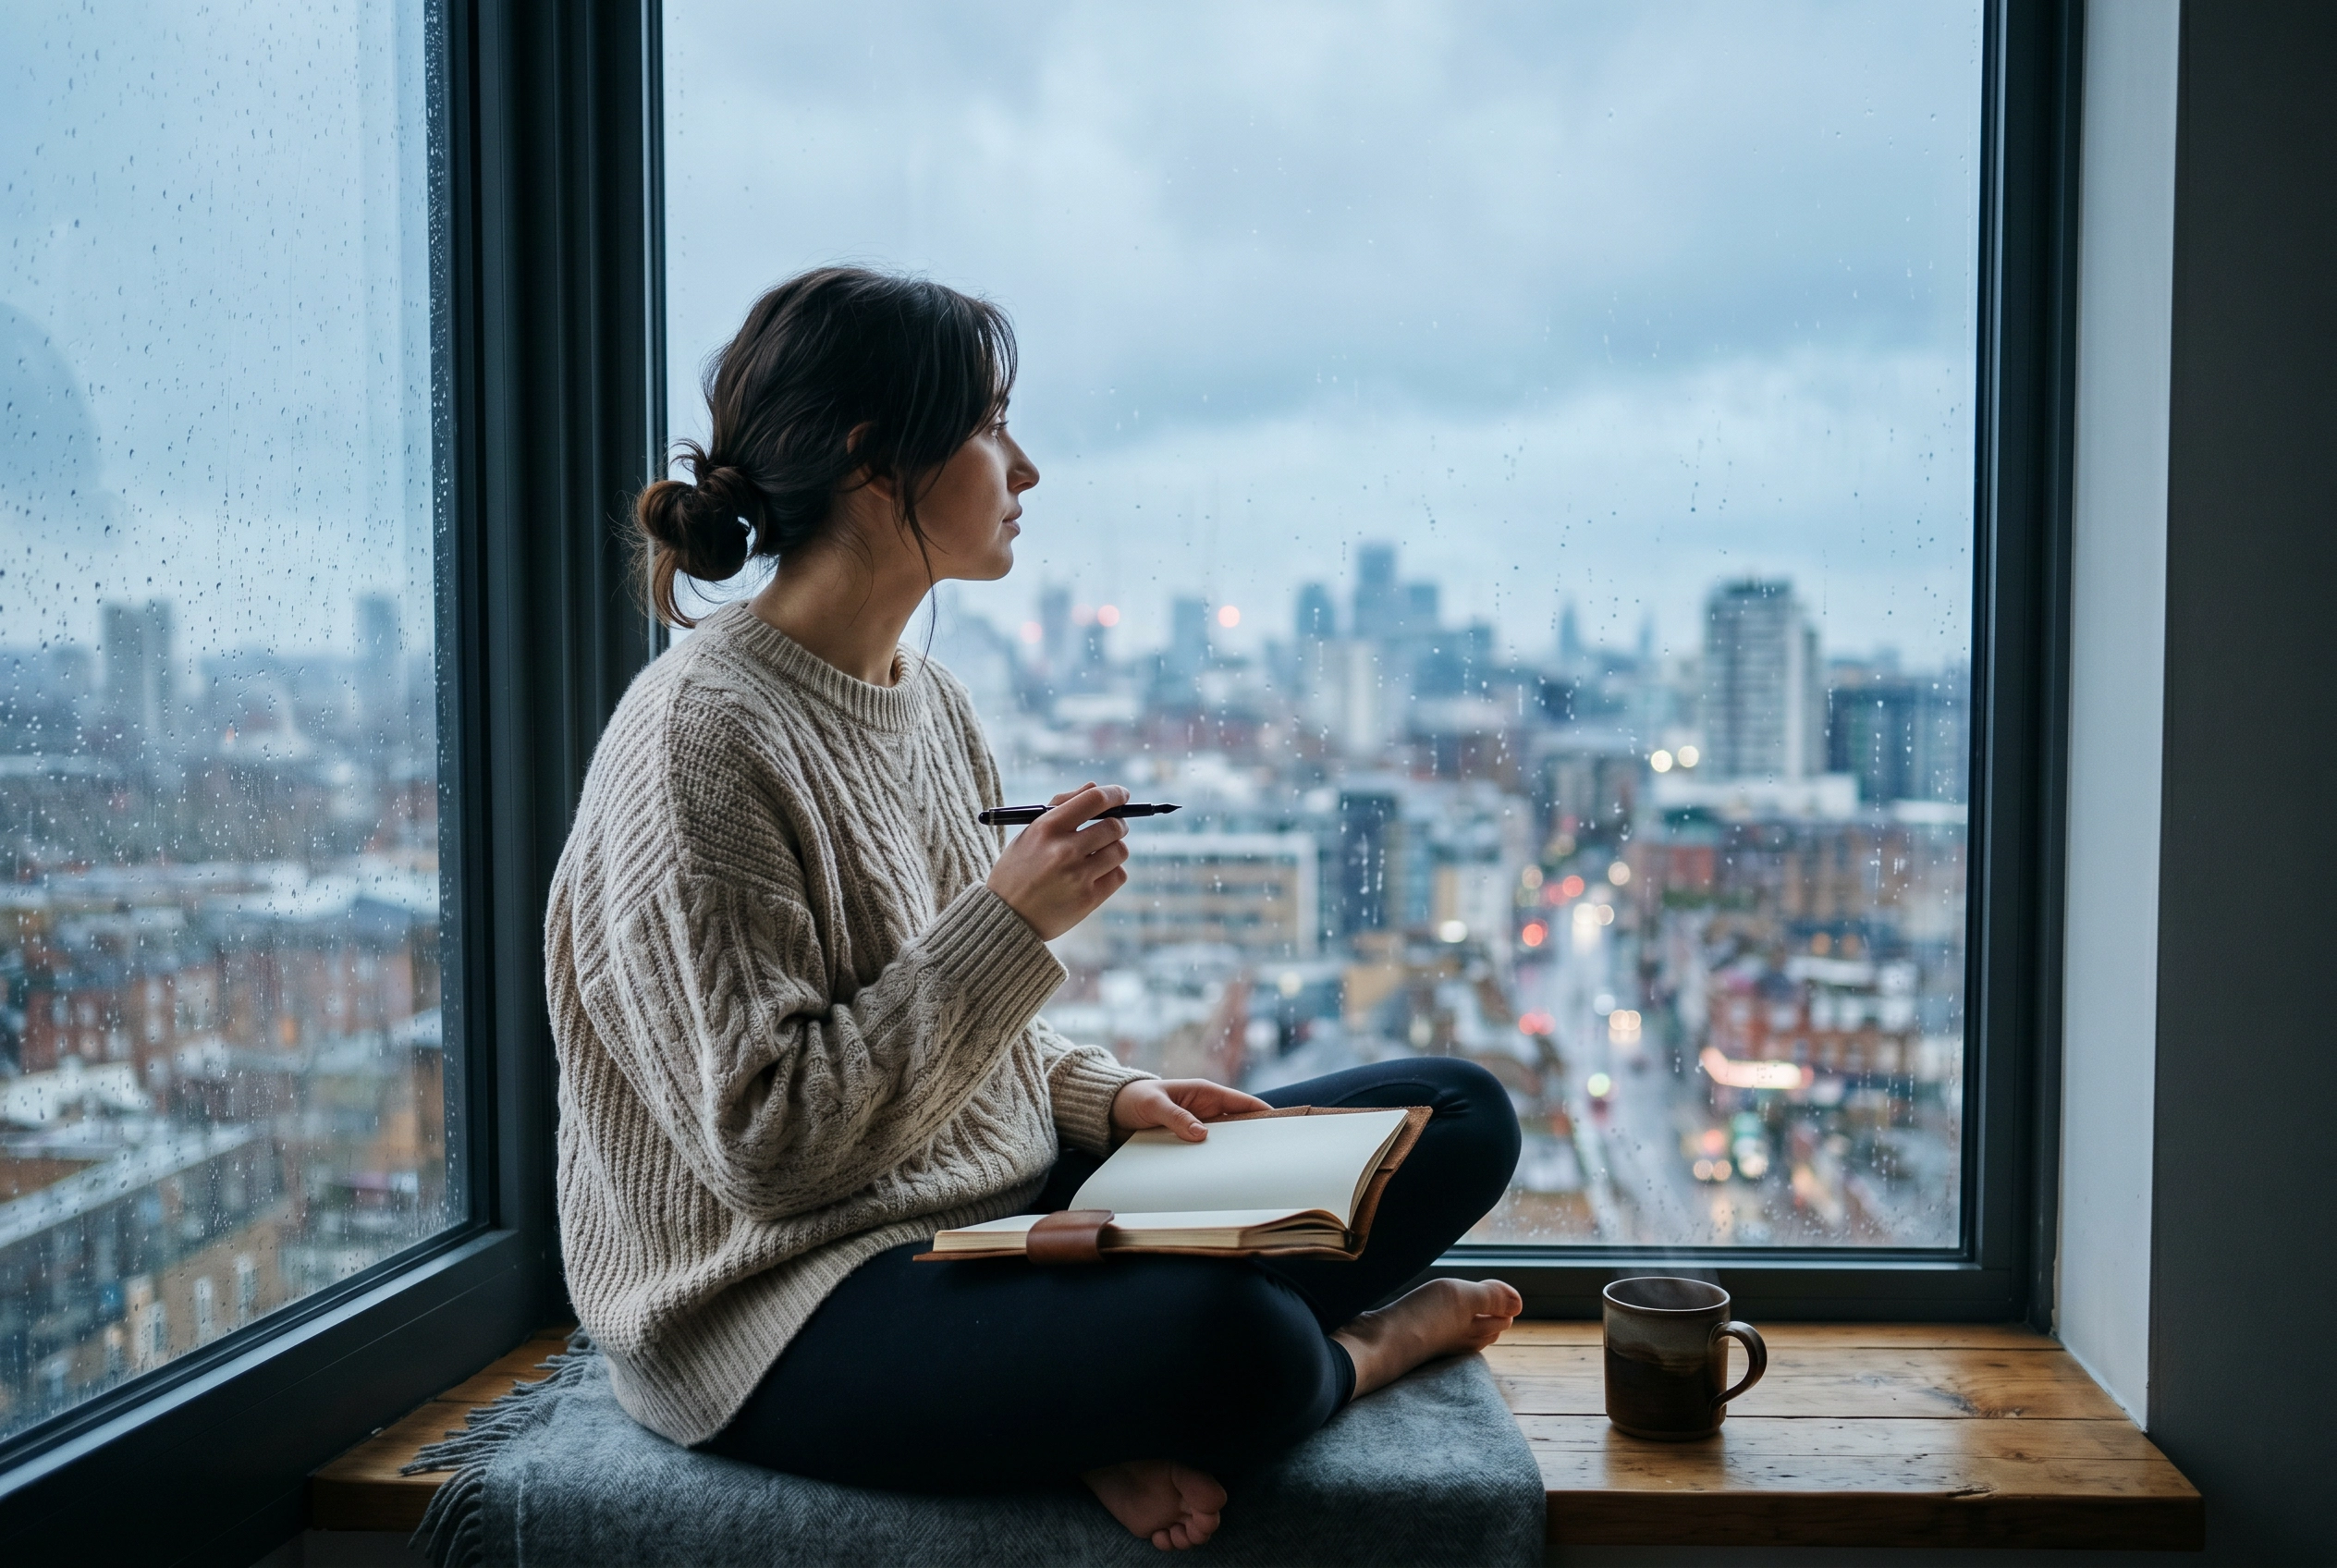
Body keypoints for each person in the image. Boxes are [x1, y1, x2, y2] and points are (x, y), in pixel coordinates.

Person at [544, 266, 1523, 1551]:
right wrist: (1008, 928)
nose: (1027, 467)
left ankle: (1066, 1403)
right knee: (1237, 1339)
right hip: (784, 1295)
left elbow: (959, 1029)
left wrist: (1106, 1099)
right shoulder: (701, 743)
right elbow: (771, 1153)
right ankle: (1358, 1358)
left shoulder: (930, 705)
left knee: (1455, 1114)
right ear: (872, 458)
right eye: (991, 424)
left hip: (980, 1211)